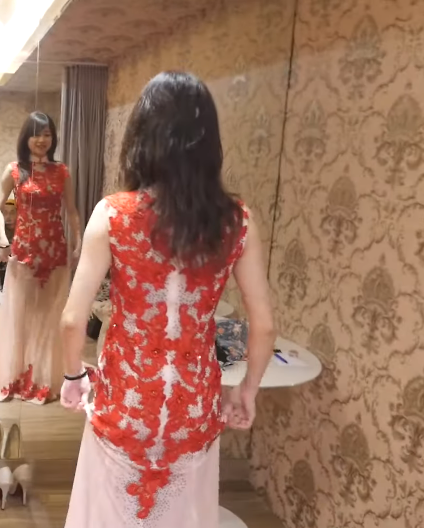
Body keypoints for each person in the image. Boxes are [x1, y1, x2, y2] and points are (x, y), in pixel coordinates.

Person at [57, 71, 276, 527]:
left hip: (125, 401)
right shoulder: (237, 222)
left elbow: (73, 319)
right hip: (193, 408)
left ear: (143, 136)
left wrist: (73, 375)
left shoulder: (112, 214)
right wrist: (248, 391)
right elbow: (264, 325)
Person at [0, 111, 81, 404]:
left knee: (49, 315)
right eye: (36, 134)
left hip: (55, 251)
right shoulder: (15, 170)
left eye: (47, 134)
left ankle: (44, 375)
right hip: (23, 250)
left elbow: (71, 211)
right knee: (20, 315)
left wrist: (78, 241)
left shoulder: (62, 171)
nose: (42, 140)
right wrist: (3, 238)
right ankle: (16, 372)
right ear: (26, 138)